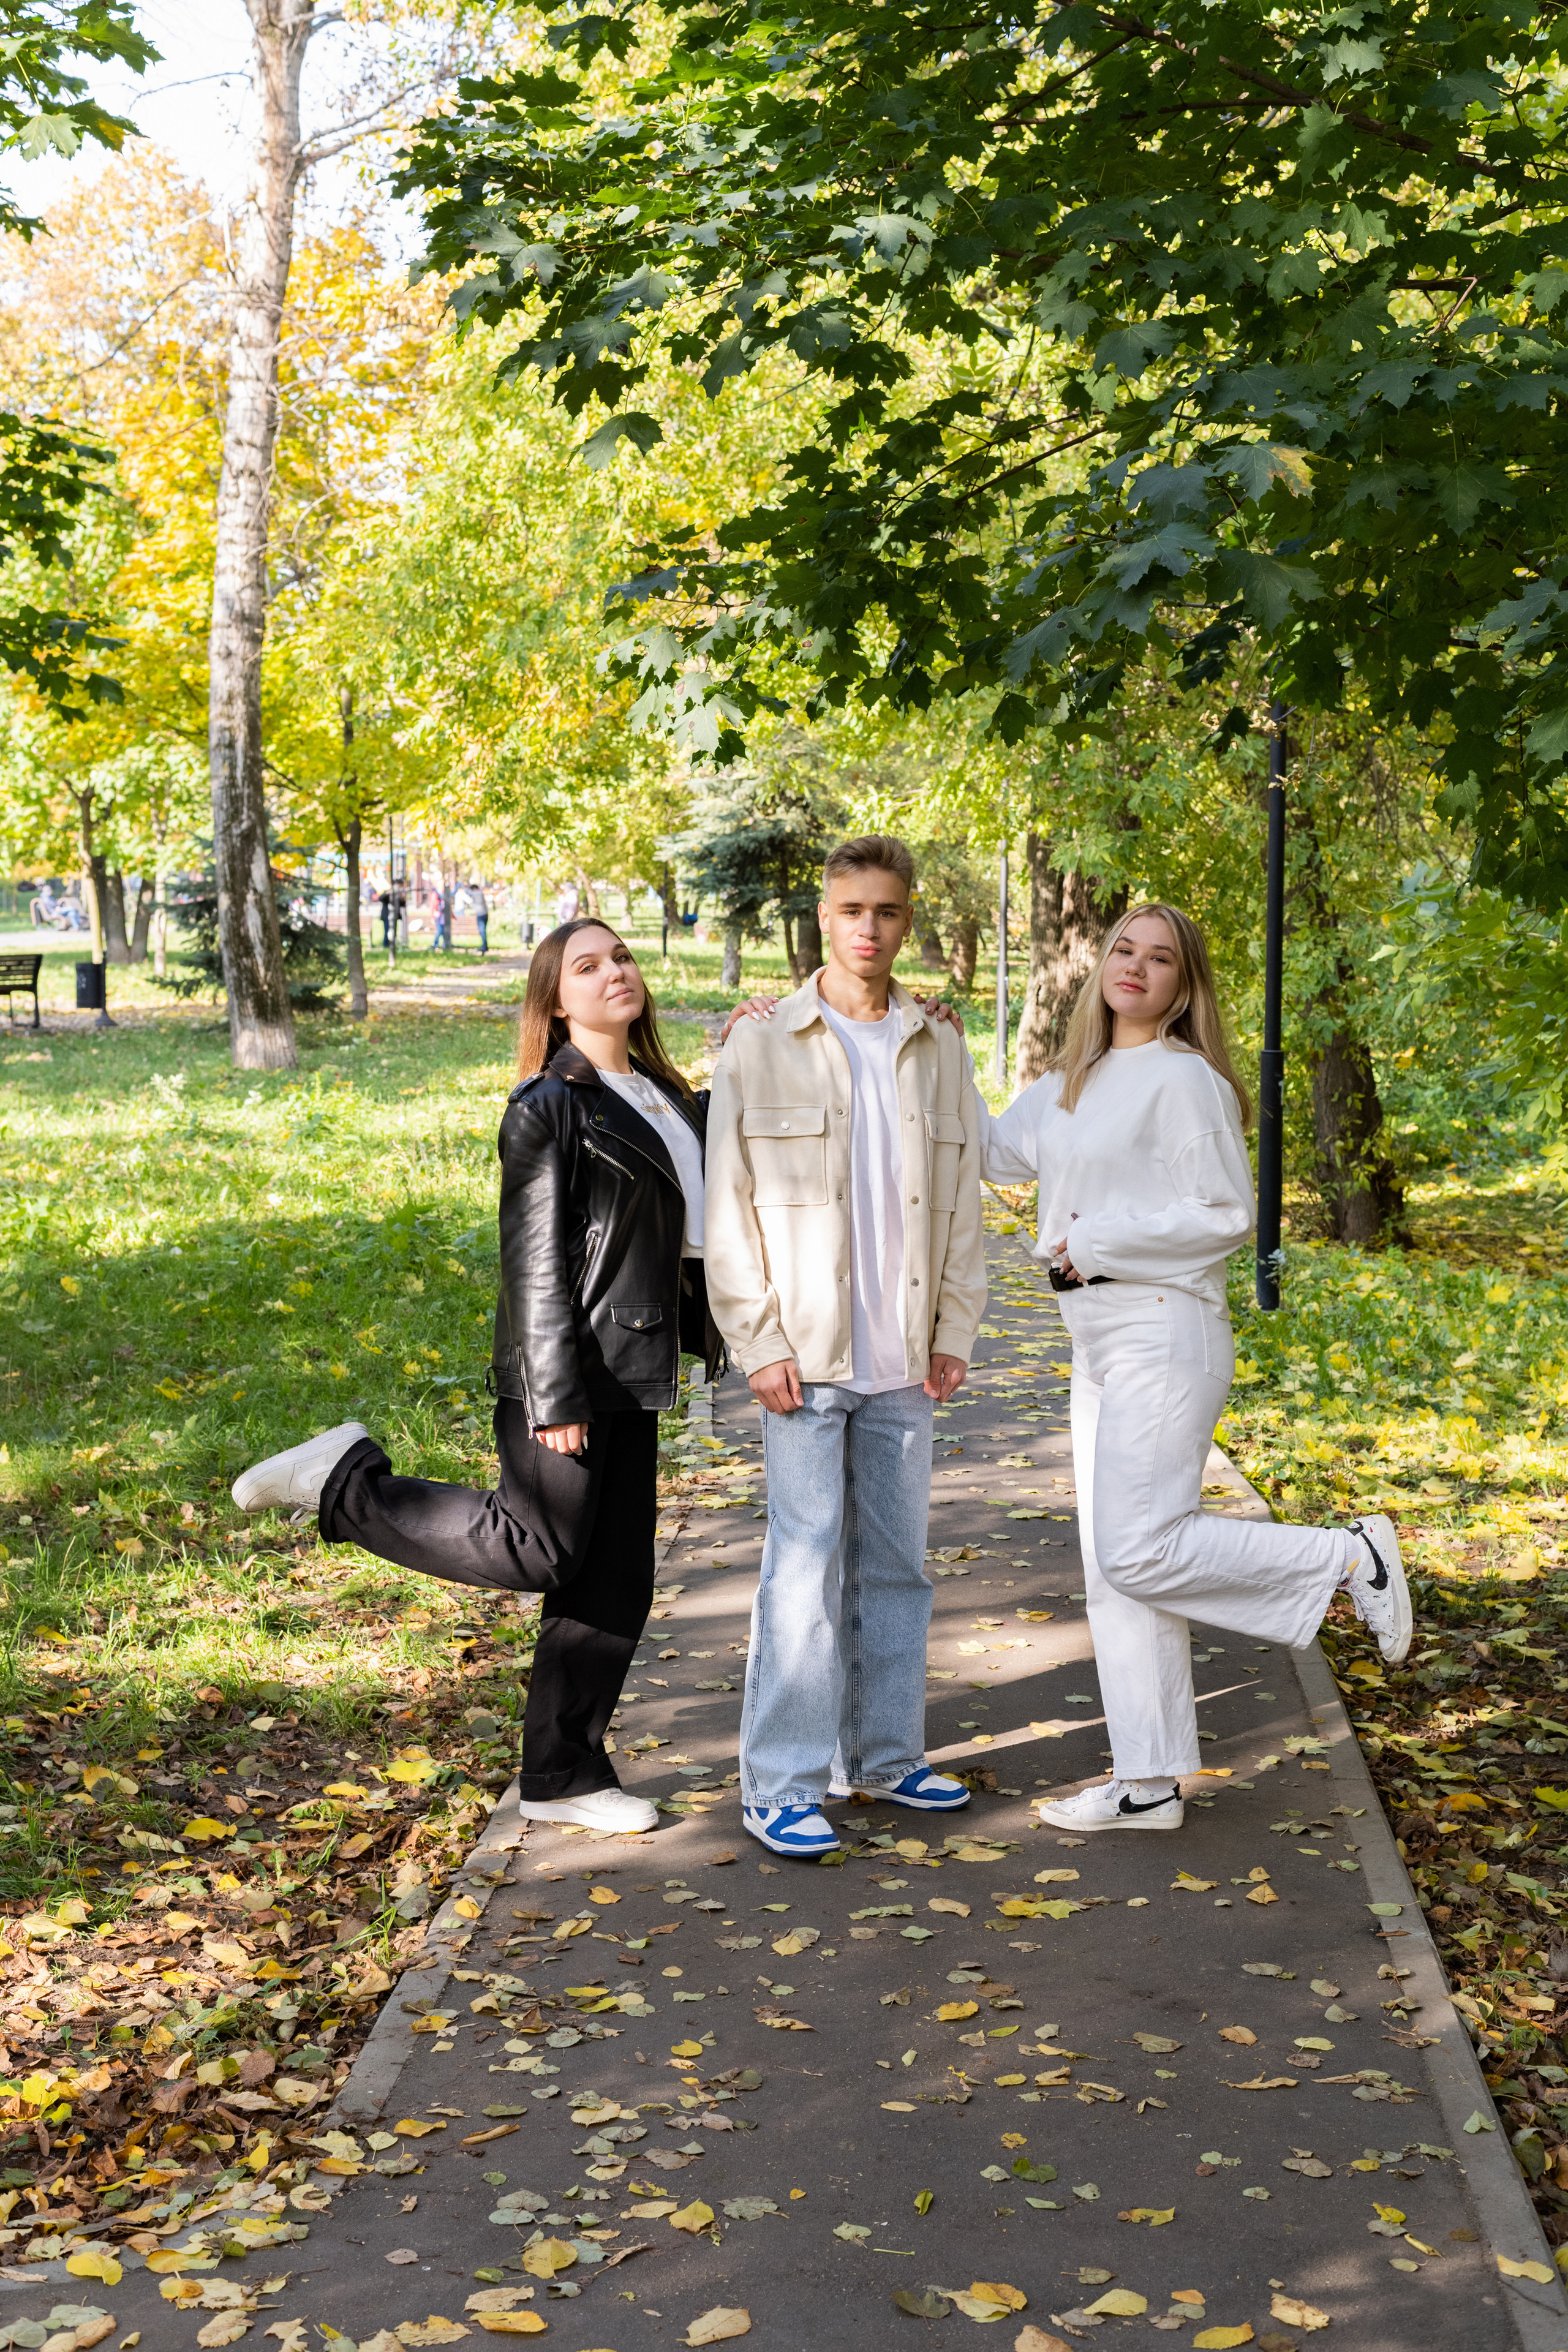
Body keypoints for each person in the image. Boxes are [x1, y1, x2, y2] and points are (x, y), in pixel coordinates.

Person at [230, 918, 723, 1836]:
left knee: (612, 1578)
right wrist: (553, 1392)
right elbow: (532, 1263)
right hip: (571, 1363)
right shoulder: (550, 1104)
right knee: (538, 1549)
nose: (614, 971)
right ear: (555, 1001)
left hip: (638, 1358)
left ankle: (563, 1777)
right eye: (588, 965)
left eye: (620, 957)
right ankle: (344, 1483)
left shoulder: (663, 1093)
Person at [978, 902, 1410, 1836]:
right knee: (1113, 1568)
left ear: (1183, 987)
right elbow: (986, 1149)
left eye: (1160, 958)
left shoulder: (1183, 1081)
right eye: (1123, 949)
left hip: (1164, 1335)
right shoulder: (1072, 1079)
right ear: (1100, 965)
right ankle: (1147, 1783)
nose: (1135, 967)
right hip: (1098, 1345)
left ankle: (1349, 1555)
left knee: (1139, 1547)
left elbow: (1225, 1213)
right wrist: (920, 1045)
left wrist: (1091, 1239)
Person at [706, 832, 989, 1860]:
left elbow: (961, 1201)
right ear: (823, 918)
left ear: (909, 920)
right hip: (804, 1358)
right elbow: (726, 1207)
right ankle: (780, 1782)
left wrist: (954, 1326)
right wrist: (758, 1340)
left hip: (904, 1356)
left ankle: (883, 1756)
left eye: (889, 912)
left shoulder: (938, 1042)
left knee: (897, 1567)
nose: (870, 929)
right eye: (852, 911)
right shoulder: (759, 1040)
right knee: (802, 1568)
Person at [471, 879, 489, 956]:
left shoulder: (478, 893)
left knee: (482, 931)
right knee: (483, 931)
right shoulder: (480, 894)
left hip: (481, 915)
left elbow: (469, 892)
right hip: (484, 914)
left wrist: (460, 885)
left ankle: (484, 946)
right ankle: (484, 945)